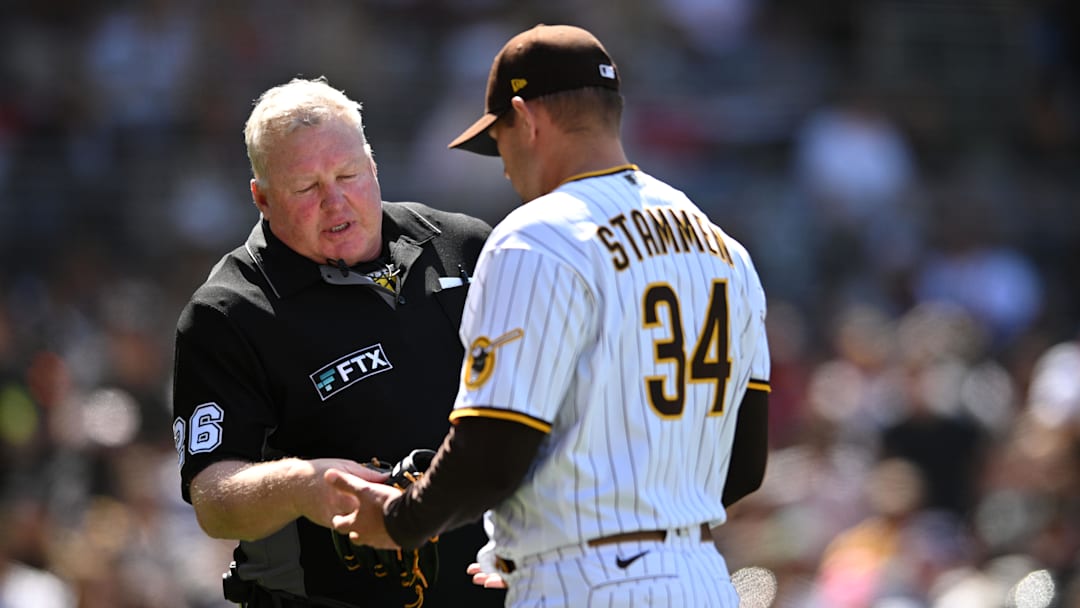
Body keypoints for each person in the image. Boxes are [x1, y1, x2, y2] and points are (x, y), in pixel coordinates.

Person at [325, 24, 771, 607]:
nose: (505, 168)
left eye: (501, 142)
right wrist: (536, 542)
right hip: (702, 580)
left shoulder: (536, 237)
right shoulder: (724, 249)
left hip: (587, 586)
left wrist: (400, 519)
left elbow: (492, 450)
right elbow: (744, 464)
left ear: (526, 118)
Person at [170, 77, 506, 608]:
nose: (335, 201)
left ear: (373, 166)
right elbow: (213, 499)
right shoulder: (229, 312)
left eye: (349, 174)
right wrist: (304, 486)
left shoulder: (465, 245)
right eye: (306, 188)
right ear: (261, 198)